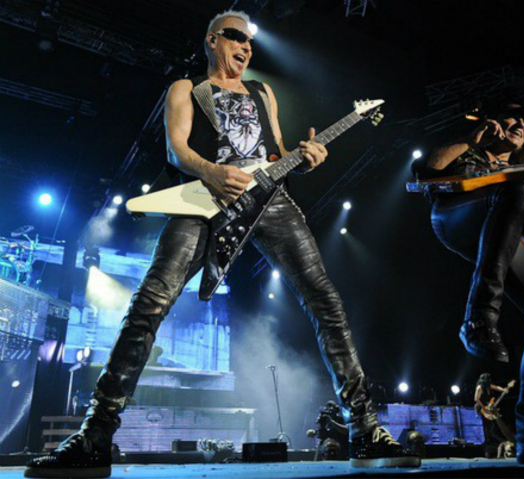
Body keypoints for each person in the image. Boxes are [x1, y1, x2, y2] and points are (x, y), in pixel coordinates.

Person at [26, 10, 418, 478]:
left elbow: (274, 153)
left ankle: (364, 428)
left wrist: (305, 157)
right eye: (236, 37)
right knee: (149, 304)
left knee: (326, 301)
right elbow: (176, 149)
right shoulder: (186, 89)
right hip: (203, 202)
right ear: (212, 40)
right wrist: (212, 171)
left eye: (250, 41)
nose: (246, 46)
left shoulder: (262, 92)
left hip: (271, 201)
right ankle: (95, 436)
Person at [416, 103, 524, 463]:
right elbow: (425, 173)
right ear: (493, 121)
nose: (521, 123)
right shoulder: (470, 150)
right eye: (513, 117)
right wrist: (471, 139)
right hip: (455, 215)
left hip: (502, 229)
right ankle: (478, 318)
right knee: (516, 192)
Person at [474, 373, 516, 445]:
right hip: (482, 407)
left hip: (489, 406)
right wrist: (484, 408)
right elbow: (476, 399)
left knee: (500, 423)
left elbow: (496, 387)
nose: (490, 380)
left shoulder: (488, 386)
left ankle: (510, 439)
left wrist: (503, 389)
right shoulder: (479, 387)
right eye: (489, 379)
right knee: (489, 428)